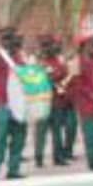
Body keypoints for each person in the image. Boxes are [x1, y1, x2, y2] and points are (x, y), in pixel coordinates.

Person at [0, 27, 28, 181]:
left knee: (19, 137)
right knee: (0, 139)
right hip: (3, 103)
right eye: (10, 38)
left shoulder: (19, 56)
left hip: (19, 103)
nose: (15, 41)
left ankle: (13, 170)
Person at [33, 35, 70, 168]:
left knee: (57, 131)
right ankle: (38, 158)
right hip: (41, 102)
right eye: (45, 45)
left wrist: (51, 76)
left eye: (49, 45)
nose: (47, 48)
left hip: (57, 101)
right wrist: (52, 77)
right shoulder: (37, 61)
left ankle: (58, 157)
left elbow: (64, 72)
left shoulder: (57, 60)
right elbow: (34, 78)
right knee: (40, 132)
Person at [70, 33, 93, 171]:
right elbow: (77, 83)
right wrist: (92, 94)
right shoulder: (77, 61)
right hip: (86, 103)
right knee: (90, 133)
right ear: (84, 46)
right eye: (91, 44)